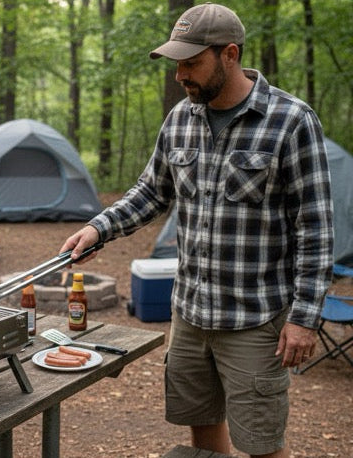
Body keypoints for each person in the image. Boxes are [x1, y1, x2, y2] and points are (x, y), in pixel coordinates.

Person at [59, 3, 333, 457]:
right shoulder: (181, 118)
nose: (180, 75)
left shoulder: (291, 121)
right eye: (176, 63)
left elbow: (316, 229)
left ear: (229, 54)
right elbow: (150, 192)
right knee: (203, 435)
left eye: (190, 63)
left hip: (254, 319)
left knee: (263, 445)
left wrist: (304, 318)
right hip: (189, 313)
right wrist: (98, 228)